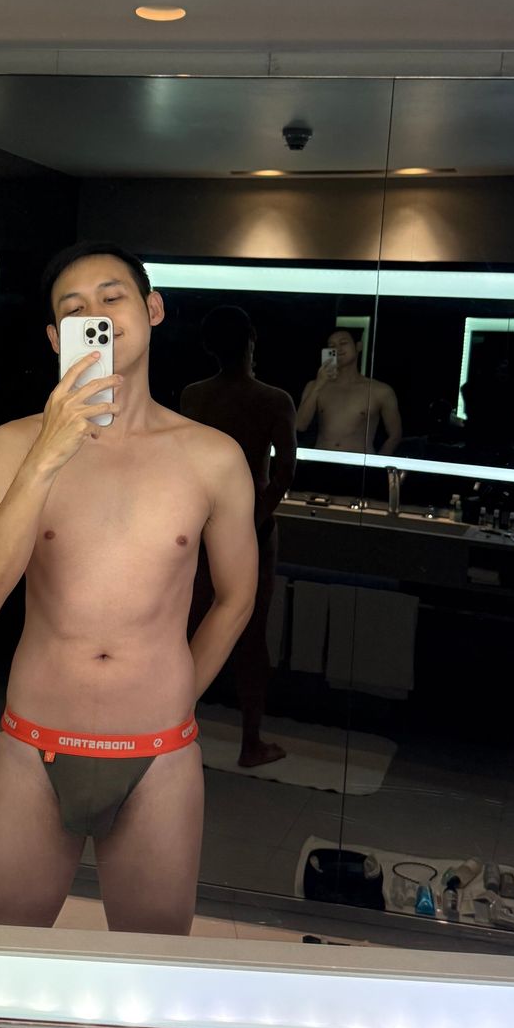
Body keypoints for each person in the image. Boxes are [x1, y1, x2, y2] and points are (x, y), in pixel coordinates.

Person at [0, 243, 258, 935]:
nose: (97, 314)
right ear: (55, 339)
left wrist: (179, 691)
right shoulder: (15, 445)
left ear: (152, 309)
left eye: (112, 297)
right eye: (75, 309)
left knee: (150, 964)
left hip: (159, 753)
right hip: (34, 746)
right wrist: (47, 457)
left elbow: (237, 596)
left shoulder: (212, 456)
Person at [180, 305, 296, 767]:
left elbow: (185, 464)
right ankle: (251, 742)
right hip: (252, 525)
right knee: (250, 633)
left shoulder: (194, 396)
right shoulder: (273, 399)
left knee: (189, 626)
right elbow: (283, 473)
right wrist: (252, 523)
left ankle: (172, 725)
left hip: (201, 523)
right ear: (251, 340)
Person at [296, 327, 402, 455]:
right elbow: (300, 425)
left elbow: (395, 435)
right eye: (332, 346)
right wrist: (319, 384)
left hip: (358, 463)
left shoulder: (380, 391)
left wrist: (376, 464)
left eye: (343, 343)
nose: (338, 349)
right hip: (321, 460)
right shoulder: (315, 385)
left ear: (358, 346)